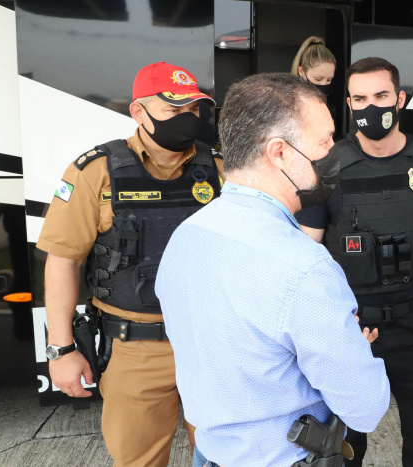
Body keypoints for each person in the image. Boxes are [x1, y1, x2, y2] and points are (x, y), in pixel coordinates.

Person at [156, 73, 390, 466]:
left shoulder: (185, 237)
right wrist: (351, 352)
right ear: (279, 152)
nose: (336, 151)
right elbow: (365, 409)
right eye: (324, 141)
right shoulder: (305, 268)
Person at [37, 61, 223, 466]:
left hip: (212, 345)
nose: (188, 119)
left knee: (226, 457)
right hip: (136, 349)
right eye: (174, 110)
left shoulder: (219, 169)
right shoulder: (96, 172)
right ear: (138, 111)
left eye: (193, 109)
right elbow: (62, 262)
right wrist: (61, 350)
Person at [296, 57, 413, 467]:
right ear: (349, 104)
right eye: (360, 98)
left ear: (400, 99)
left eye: (381, 96)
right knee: (341, 450)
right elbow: (304, 256)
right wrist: (323, 333)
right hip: (354, 331)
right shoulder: (327, 169)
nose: (370, 107)